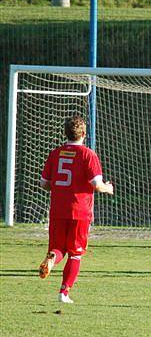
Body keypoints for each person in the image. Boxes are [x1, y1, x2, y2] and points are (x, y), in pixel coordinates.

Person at [38, 115, 114, 303]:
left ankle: (52, 258)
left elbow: (44, 183)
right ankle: (64, 293)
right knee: (76, 253)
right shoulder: (88, 155)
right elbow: (96, 184)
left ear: (65, 133)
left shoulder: (56, 153)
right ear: (84, 134)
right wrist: (108, 188)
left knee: (58, 248)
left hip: (58, 210)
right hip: (80, 211)